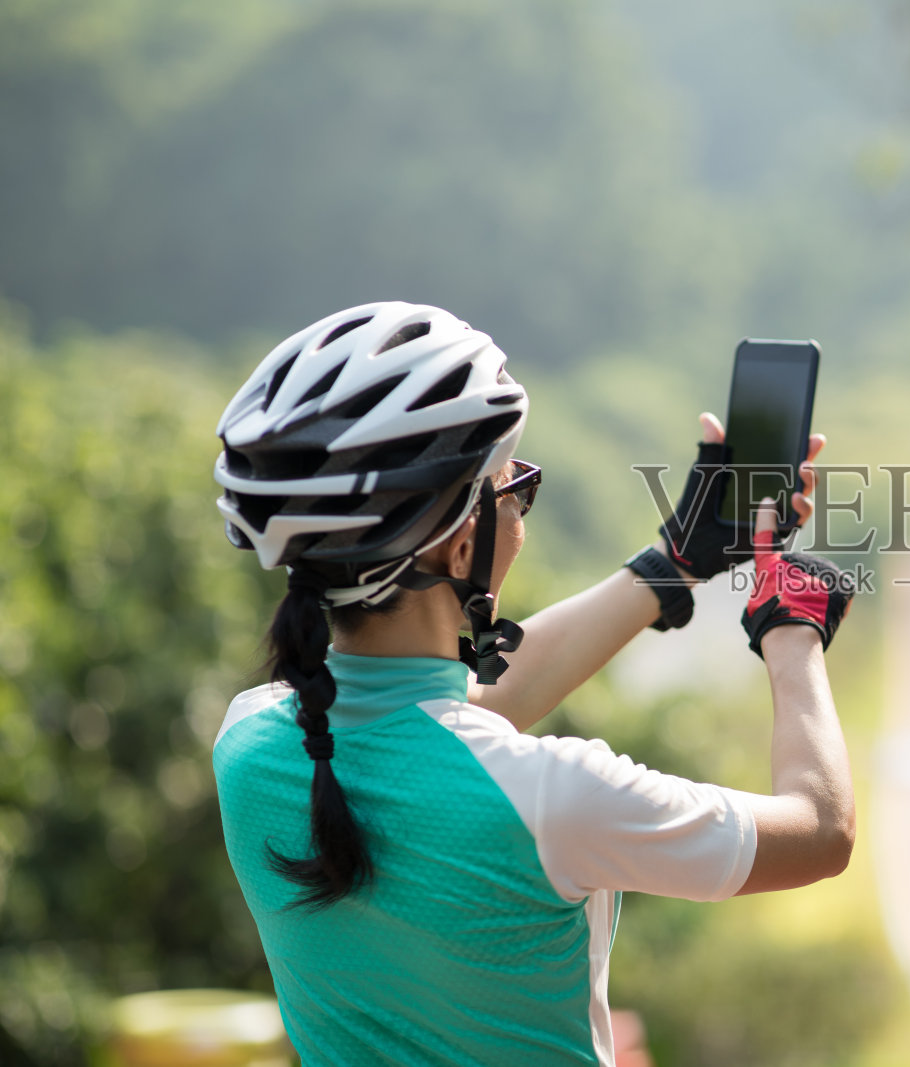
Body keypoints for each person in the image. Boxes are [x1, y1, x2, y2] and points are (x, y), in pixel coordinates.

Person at [209, 302, 855, 1066]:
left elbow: (456, 721)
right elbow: (820, 830)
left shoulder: (248, 744)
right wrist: (793, 635)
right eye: (515, 486)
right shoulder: (555, 799)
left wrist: (674, 560)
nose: (521, 502)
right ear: (457, 549)